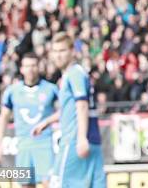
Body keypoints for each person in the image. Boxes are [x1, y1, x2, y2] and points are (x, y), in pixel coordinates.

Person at [45, 32, 106, 188]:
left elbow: (82, 105)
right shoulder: (76, 73)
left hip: (74, 139)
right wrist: (46, 122)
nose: (58, 56)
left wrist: (81, 138)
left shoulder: (74, 74)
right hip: (93, 139)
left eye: (62, 51)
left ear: (72, 51)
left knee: (56, 184)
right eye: (55, 51)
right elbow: (70, 109)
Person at [0, 53, 58, 188]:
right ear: (22, 69)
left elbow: (65, 110)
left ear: (39, 67)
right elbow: (3, 117)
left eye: (34, 65)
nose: (30, 69)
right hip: (23, 145)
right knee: (25, 185)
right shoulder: (12, 91)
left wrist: (47, 122)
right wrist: (0, 143)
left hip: (44, 144)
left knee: (49, 183)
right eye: (27, 66)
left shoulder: (51, 89)